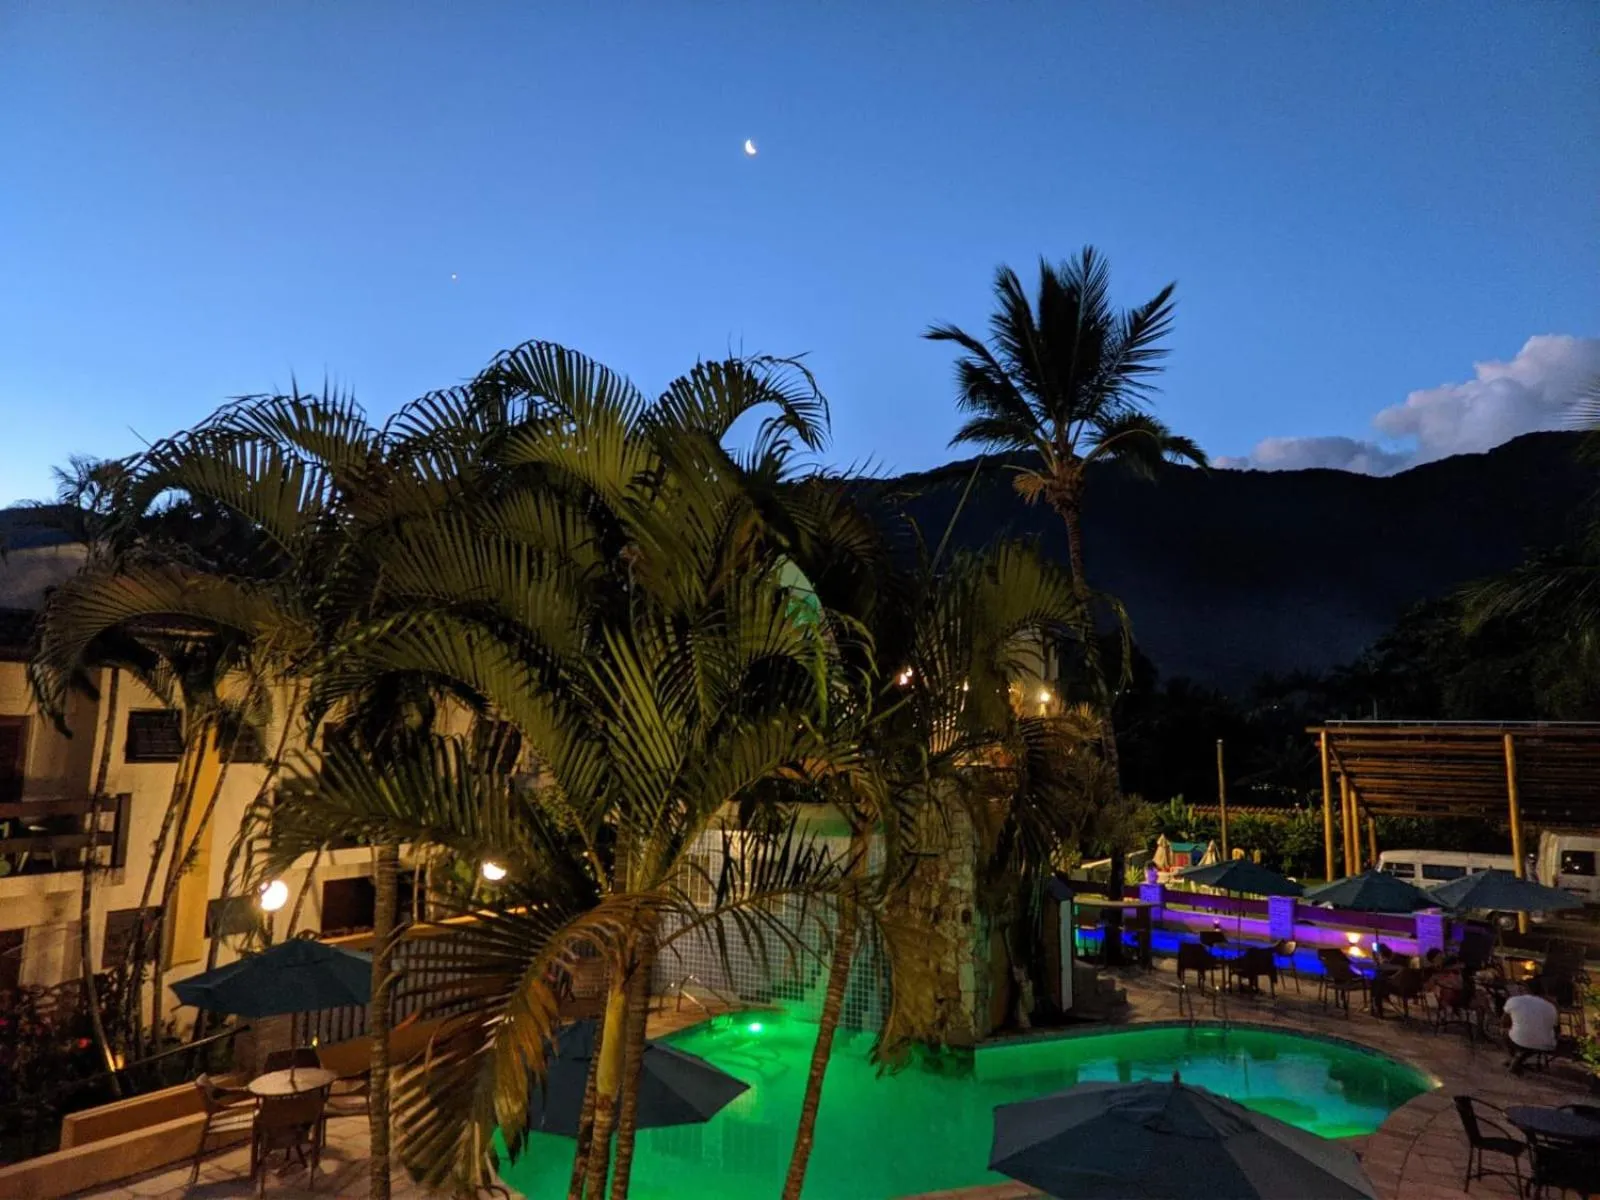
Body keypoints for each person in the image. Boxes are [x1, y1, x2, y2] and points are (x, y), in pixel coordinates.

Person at [1502, 977, 1559, 1073]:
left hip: (1521, 1040)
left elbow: (1504, 1022)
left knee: (1504, 1031)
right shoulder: (1551, 1005)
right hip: (1546, 1043)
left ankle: (1515, 1057)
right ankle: (1518, 1058)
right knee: (1532, 1040)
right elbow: (1556, 1028)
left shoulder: (1515, 1000)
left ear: (1525, 989)